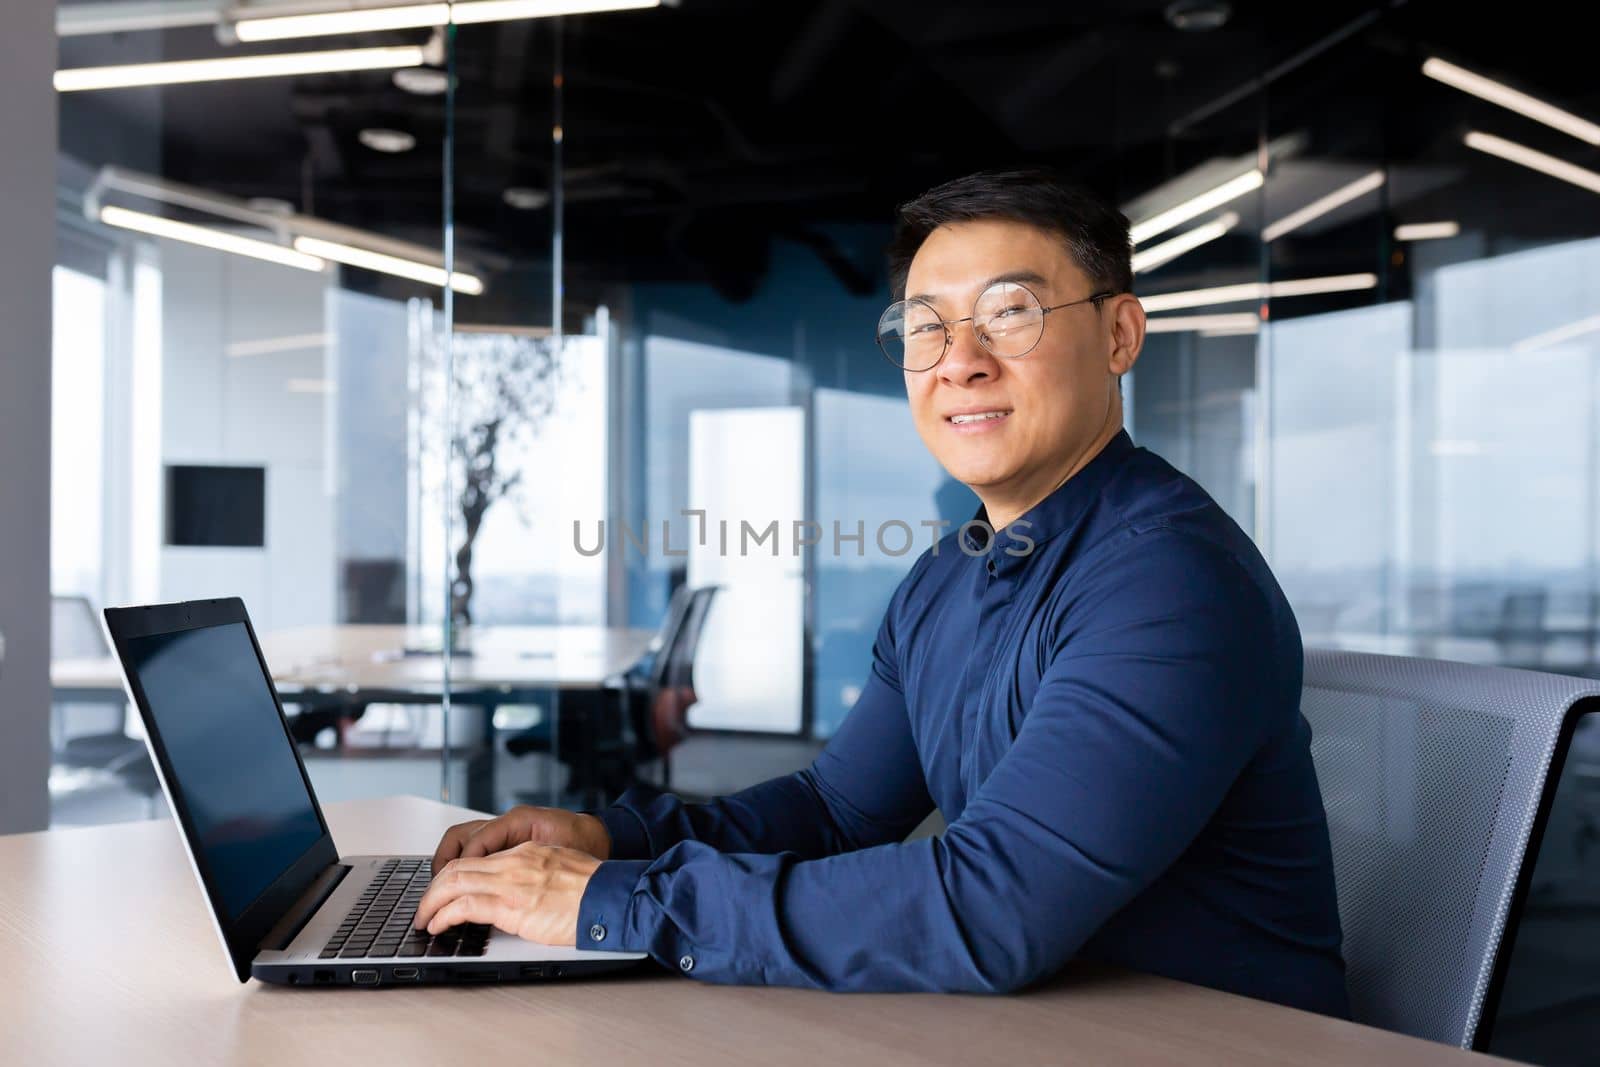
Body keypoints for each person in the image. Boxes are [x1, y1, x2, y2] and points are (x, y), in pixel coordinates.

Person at [413, 169, 1349, 1016]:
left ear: (1119, 333)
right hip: (1047, 1020)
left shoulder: (1168, 581)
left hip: (1211, 1038)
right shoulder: (951, 572)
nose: (960, 359)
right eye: (926, 326)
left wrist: (612, 903)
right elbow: (835, 811)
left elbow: (991, 906)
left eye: (1011, 312)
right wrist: (609, 839)